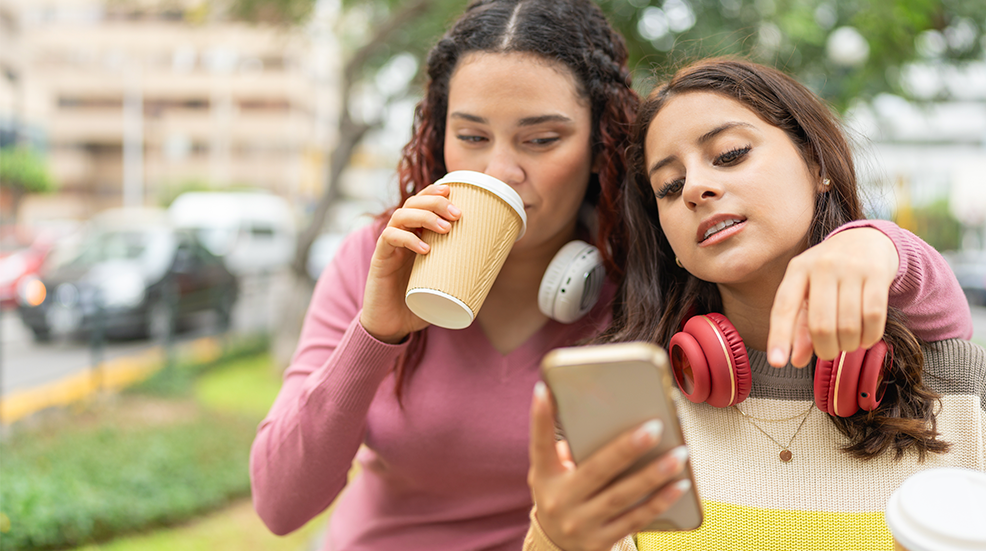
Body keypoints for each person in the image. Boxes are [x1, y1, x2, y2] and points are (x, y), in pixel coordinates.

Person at [250, 2, 972, 547]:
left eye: (542, 138)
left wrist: (874, 240)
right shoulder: (383, 260)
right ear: (438, 139)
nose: (501, 169)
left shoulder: (651, 272)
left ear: (600, 142)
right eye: (471, 136)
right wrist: (377, 330)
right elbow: (281, 504)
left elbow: (934, 329)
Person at [525, 58, 986, 551]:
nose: (697, 190)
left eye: (730, 154)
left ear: (818, 166)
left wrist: (881, 243)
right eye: (670, 187)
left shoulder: (961, 384)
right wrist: (556, 539)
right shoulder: (620, 406)